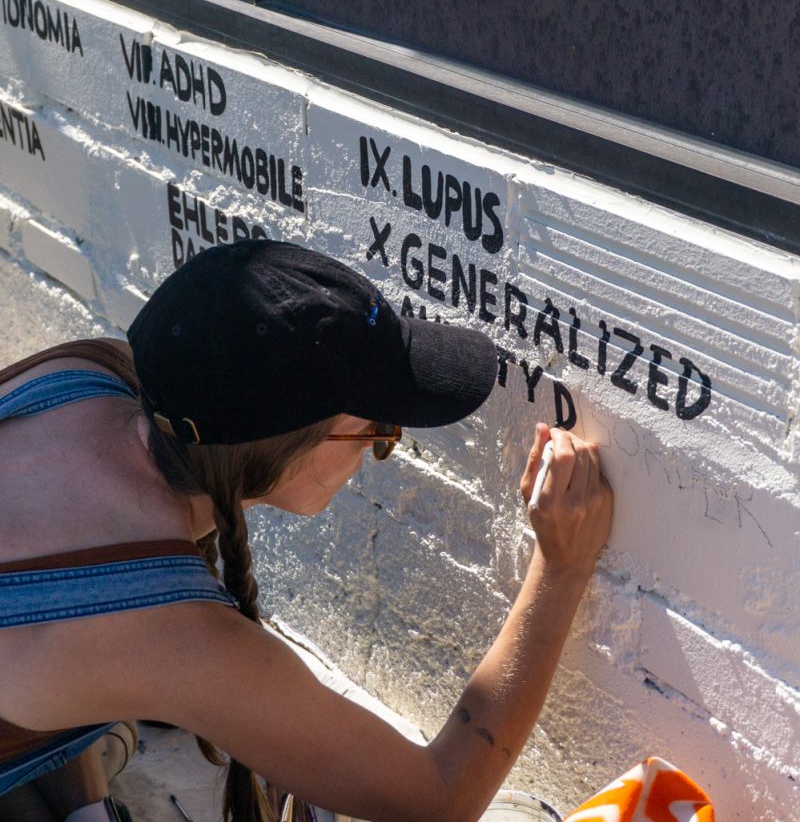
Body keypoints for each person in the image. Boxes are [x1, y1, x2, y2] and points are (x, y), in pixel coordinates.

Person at [0, 239, 612, 822]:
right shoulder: (164, 629)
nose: (381, 445)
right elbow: (437, 799)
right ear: (290, 449)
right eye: (377, 433)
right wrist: (562, 568)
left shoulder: (91, 370)